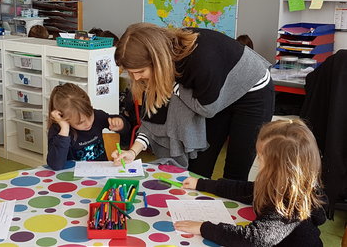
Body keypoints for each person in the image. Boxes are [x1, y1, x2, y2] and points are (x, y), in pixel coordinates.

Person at [112, 23, 274, 180]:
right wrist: (132, 152)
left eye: (140, 71)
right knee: (198, 169)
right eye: (131, 73)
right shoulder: (157, 66)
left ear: (157, 60)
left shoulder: (201, 59)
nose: (136, 78)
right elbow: (153, 118)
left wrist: (174, 87)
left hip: (252, 92)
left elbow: (207, 109)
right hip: (212, 93)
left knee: (236, 171)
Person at [174, 119, 326, 246]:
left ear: (278, 169)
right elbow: (245, 190)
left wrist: (203, 228)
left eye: (261, 157)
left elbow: (251, 239)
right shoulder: (290, 185)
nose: (258, 161)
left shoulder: (286, 209)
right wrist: (202, 184)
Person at [46, 83, 131, 170]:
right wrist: (64, 130)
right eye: (80, 122)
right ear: (64, 118)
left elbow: (127, 129)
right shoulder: (58, 130)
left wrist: (120, 124)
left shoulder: (97, 116)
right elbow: (56, 165)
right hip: (73, 178)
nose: (88, 123)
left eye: (90, 115)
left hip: (101, 172)